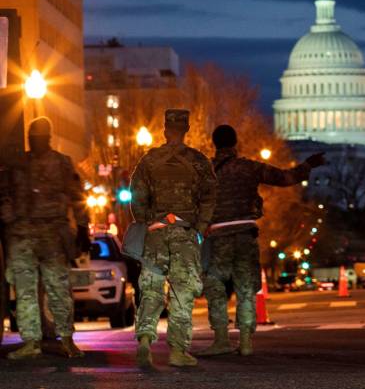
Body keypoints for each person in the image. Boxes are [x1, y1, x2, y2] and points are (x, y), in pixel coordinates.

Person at [197, 125, 325, 357]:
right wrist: (308, 165)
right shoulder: (248, 167)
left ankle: (221, 339)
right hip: (246, 233)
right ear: (235, 143)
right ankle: (245, 341)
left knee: (215, 285)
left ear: (214, 143)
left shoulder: (205, 172)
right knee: (246, 286)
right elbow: (286, 177)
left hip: (218, 236)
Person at [130, 109, 216, 368]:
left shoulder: (150, 160)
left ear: (165, 129)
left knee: (152, 288)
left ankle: (145, 338)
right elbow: (210, 198)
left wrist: (148, 223)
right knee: (182, 291)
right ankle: (178, 350)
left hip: (156, 233)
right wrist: (199, 228)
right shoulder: (198, 161)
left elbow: (136, 195)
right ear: (187, 128)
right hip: (185, 232)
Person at [4, 117, 89, 359]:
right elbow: (6, 192)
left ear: (48, 138)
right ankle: (31, 341)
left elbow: (77, 196)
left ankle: (67, 340)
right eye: (33, 137)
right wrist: (8, 214)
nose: (35, 140)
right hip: (23, 234)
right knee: (26, 290)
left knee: (58, 288)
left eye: (39, 137)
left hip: (52, 233)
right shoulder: (18, 164)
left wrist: (83, 228)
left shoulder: (62, 164)